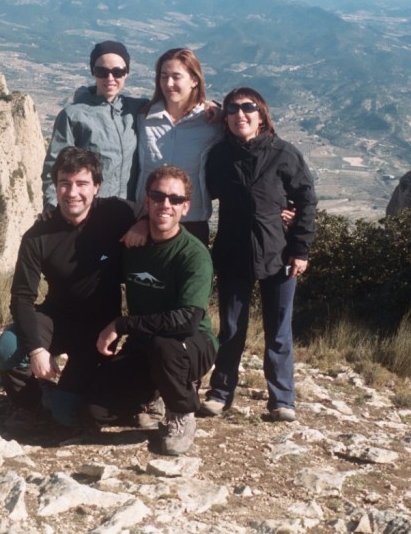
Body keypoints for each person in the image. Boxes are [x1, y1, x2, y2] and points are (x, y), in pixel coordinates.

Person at [0, 147, 136, 429]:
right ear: (55, 187)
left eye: (82, 184)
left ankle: (64, 397)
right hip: (56, 316)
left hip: (99, 328)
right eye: (64, 184)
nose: (72, 192)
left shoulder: (116, 213)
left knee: (66, 414)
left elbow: (154, 212)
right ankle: (27, 404)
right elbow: (22, 297)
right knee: (7, 348)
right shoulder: (38, 235)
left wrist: (141, 225)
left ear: (96, 187)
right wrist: (36, 349)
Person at [200, 87, 317, 422]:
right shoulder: (220, 155)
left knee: (278, 330)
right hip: (233, 253)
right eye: (233, 110)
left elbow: (306, 200)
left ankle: (282, 400)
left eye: (248, 108)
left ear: (262, 114)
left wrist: (300, 248)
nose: (241, 114)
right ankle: (220, 394)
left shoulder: (284, 154)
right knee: (232, 330)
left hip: (278, 254)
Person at [90, 165, 217, 456]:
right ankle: (155, 392)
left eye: (175, 199)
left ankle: (181, 412)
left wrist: (121, 325)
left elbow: (187, 320)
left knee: (166, 346)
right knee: (98, 409)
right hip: (145, 345)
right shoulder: (133, 245)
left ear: (185, 207)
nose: (166, 204)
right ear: (147, 202)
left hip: (191, 344)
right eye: (158, 196)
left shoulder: (193, 254)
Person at [126, 48, 223, 246]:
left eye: (176, 77)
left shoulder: (211, 124)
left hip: (193, 220)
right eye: (164, 77)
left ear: (194, 80)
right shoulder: (144, 117)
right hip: (148, 220)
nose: (168, 84)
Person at [40, 41, 147, 212]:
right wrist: (53, 207)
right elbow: (55, 165)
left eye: (118, 72)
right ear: (93, 73)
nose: (110, 78)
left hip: (129, 213)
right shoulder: (73, 115)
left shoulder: (137, 109)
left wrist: (204, 106)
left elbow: (173, 104)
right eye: (102, 72)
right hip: (89, 213)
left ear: (126, 73)